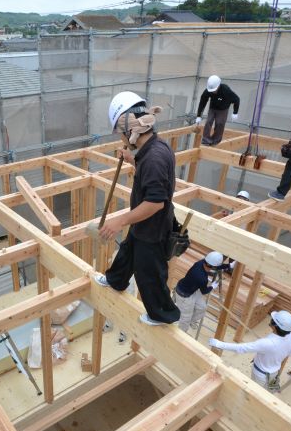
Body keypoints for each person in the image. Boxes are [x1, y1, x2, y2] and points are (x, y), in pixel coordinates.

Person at [95, 91, 180, 326]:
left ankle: (162, 314)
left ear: (129, 128)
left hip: (153, 227)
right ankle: (116, 280)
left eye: (120, 133)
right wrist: (131, 158)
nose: (121, 139)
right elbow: (147, 169)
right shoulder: (153, 148)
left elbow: (155, 202)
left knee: (149, 272)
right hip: (143, 224)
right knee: (128, 251)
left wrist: (120, 220)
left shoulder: (153, 158)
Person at [208, 310, 291, 390]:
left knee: (254, 396)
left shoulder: (267, 343)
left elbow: (241, 348)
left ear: (275, 326)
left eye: (272, 320)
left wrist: (218, 344)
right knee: (269, 393)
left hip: (260, 375)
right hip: (274, 373)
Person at [175, 251, 231, 333]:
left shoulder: (201, 262)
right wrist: (212, 286)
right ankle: (182, 335)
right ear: (212, 267)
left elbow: (214, 265)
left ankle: (192, 320)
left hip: (192, 290)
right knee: (185, 318)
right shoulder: (202, 278)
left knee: (202, 308)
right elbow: (204, 291)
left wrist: (228, 265)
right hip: (184, 295)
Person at [195, 75, 240, 146]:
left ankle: (215, 141)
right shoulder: (208, 91)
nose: (213, 92)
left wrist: (235, 113)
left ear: (218, 86)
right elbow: (202, 102)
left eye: (214, 90)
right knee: (208, 121)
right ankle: (206, 140)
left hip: (223, 109)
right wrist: (199, 115)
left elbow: (236, 99)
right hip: (213, 108)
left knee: (219, 123)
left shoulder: (226, 90)